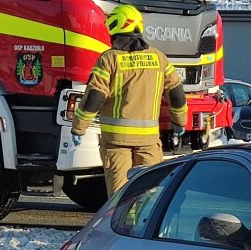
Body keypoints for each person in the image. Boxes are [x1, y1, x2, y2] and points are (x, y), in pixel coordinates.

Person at [71, 5, 187, 196]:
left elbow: (95, 96)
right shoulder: (159, 58)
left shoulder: (109, 59)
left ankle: (123, 218)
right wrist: (179, 122)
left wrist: (79, 127)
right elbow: (176, 93)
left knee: (120, 197)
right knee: (150, 195)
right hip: (149, 142)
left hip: (116, 142)